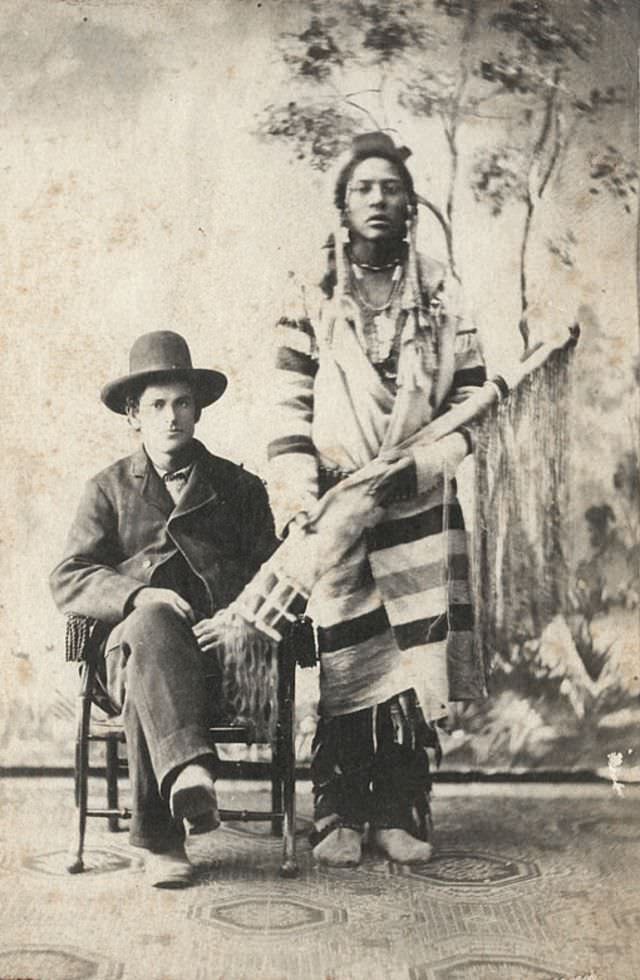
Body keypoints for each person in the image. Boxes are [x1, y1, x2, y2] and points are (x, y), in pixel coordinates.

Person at [268, 132, 488, 867]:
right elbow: (289, 407)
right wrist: (305, 496)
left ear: (409, 201)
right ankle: (337, 810)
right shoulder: (312, 292)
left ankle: (401, 808)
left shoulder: (441, 288)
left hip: (417, 500)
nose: (378, 200)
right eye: (363, 188)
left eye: (391, 187)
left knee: (411, 657)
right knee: (342, 654)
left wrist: (420, 465)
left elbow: (471, 406)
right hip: (339, 500)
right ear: (343, 203)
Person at [50, 330, 277, 887]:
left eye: (182, 403)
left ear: (197, 411)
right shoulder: (106, 489)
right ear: (134, 414)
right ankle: (190, 771)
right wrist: (137, 595)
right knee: (150, 624)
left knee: (157, 658)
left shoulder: (239, 488)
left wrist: (240, 621)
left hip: (216, 657)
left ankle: (162, 840)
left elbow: (272, 576)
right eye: (156, 405)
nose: (171, 416)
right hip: (125, 659)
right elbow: (68, 575)